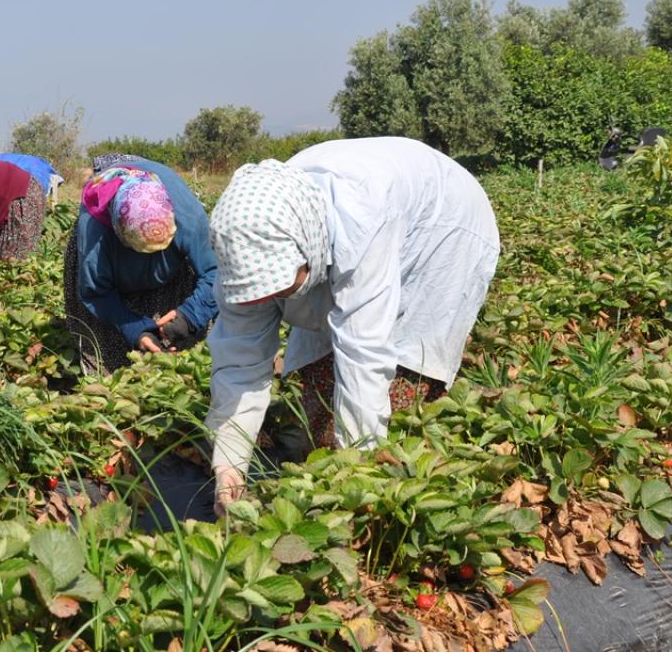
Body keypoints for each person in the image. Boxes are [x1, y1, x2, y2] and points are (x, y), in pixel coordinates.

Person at [205, 137, 500, 515]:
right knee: (319, 396)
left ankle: (394, 494)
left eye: (277, 287)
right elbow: (238, 362)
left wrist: (356, 483)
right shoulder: (243, 248)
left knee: (402, 386)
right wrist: (229, 464)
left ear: (308, 250)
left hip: (443, 227)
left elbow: (364, 352)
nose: (266, 303)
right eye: (255, 294)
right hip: (357, 225)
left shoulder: (361, 217)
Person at [64, 155, 218, 375]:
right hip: (109, 250)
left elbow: (217, 273)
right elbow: (95, 292)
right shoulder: (94, 232)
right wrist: (136, 329)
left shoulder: (189, 218)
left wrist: (189, 316)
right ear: (118, 233)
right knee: (108, 355)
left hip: (173, 242)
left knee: (184, 350)